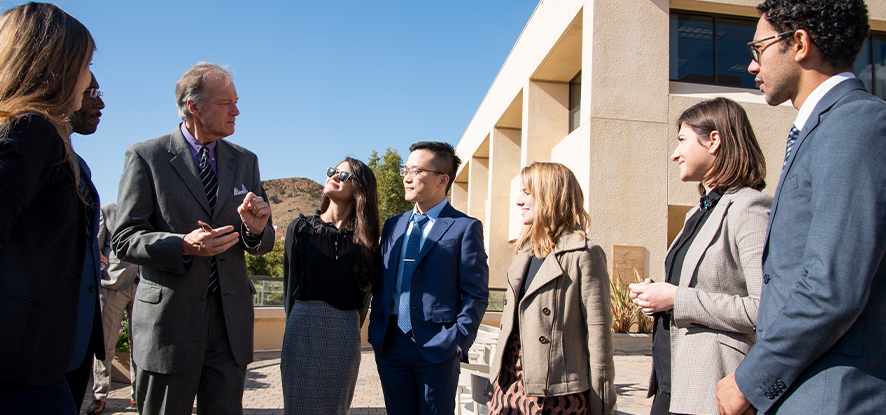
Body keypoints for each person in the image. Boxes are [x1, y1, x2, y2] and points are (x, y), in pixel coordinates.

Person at [716, 1, 886, 414]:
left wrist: (749, 380)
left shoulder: (855, 125)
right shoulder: (822, 128)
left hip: (835, 395)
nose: (752, 66)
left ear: (799, 43)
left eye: (758, 49)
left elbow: (832, 288)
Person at [112, 62, 275, 415]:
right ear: (194, 106)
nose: (237, 110)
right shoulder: (146, 157)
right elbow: (124, 238)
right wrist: (182, 245)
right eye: (225, 103)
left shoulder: (245, 161)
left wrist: (256, 229)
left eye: (236, 101)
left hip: (229, 323)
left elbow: (262, 241)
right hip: (171, 323)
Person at [629, 98, 771, 415]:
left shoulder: (749, 207)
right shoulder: (699, 211)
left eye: (682, 140)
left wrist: (677, 298)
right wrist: (659, 295)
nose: (674, 154)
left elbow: (766, 308)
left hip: (710, 386)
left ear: (714, 140)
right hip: (671, 383)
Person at [0, 3, 101, 414]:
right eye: (86, 64)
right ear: (57, 66)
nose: (90, 79)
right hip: (21, 371)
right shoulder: (32, 130)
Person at [368, 141, 489, 415]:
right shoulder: (393, 225)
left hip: (438, 346)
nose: (406, 177)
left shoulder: (465, 228)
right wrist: (377, 325)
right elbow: (382, 281)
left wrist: (458, 340)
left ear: (442, 179)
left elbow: (476, 293)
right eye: (405, 169)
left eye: (416, 170)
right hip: (390, 342)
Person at [487, 162, 616, 415]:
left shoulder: (584, 254)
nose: (518, 201)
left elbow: (600, 340)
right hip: (507, 384)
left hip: (557, 393)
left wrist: (603, 406)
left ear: (550, 196)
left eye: (527, 192)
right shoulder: (523, 253)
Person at [281, 158, 380, 415]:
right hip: (301, 327)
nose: (333, 177)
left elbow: (364, 299)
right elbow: (290, 289)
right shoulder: (300, 229)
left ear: (360, 190)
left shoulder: (368, 242)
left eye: (344, 175)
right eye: (332, 172)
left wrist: (344, 324)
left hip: (344, 333)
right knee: (297, 405)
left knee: (334, 408)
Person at [63, 71, 112, 413]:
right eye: (91, 91)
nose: (101, 102)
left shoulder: (78, 165)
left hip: (73, 347)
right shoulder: (22, 148)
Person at [86, 201, 140, 415]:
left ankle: (138, 395)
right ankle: (100, 396)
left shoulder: (145, 211)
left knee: (141, 345)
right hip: (112, 287)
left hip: (141, 285)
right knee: (105, 346)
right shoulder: (107, 211)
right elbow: (96, 250)